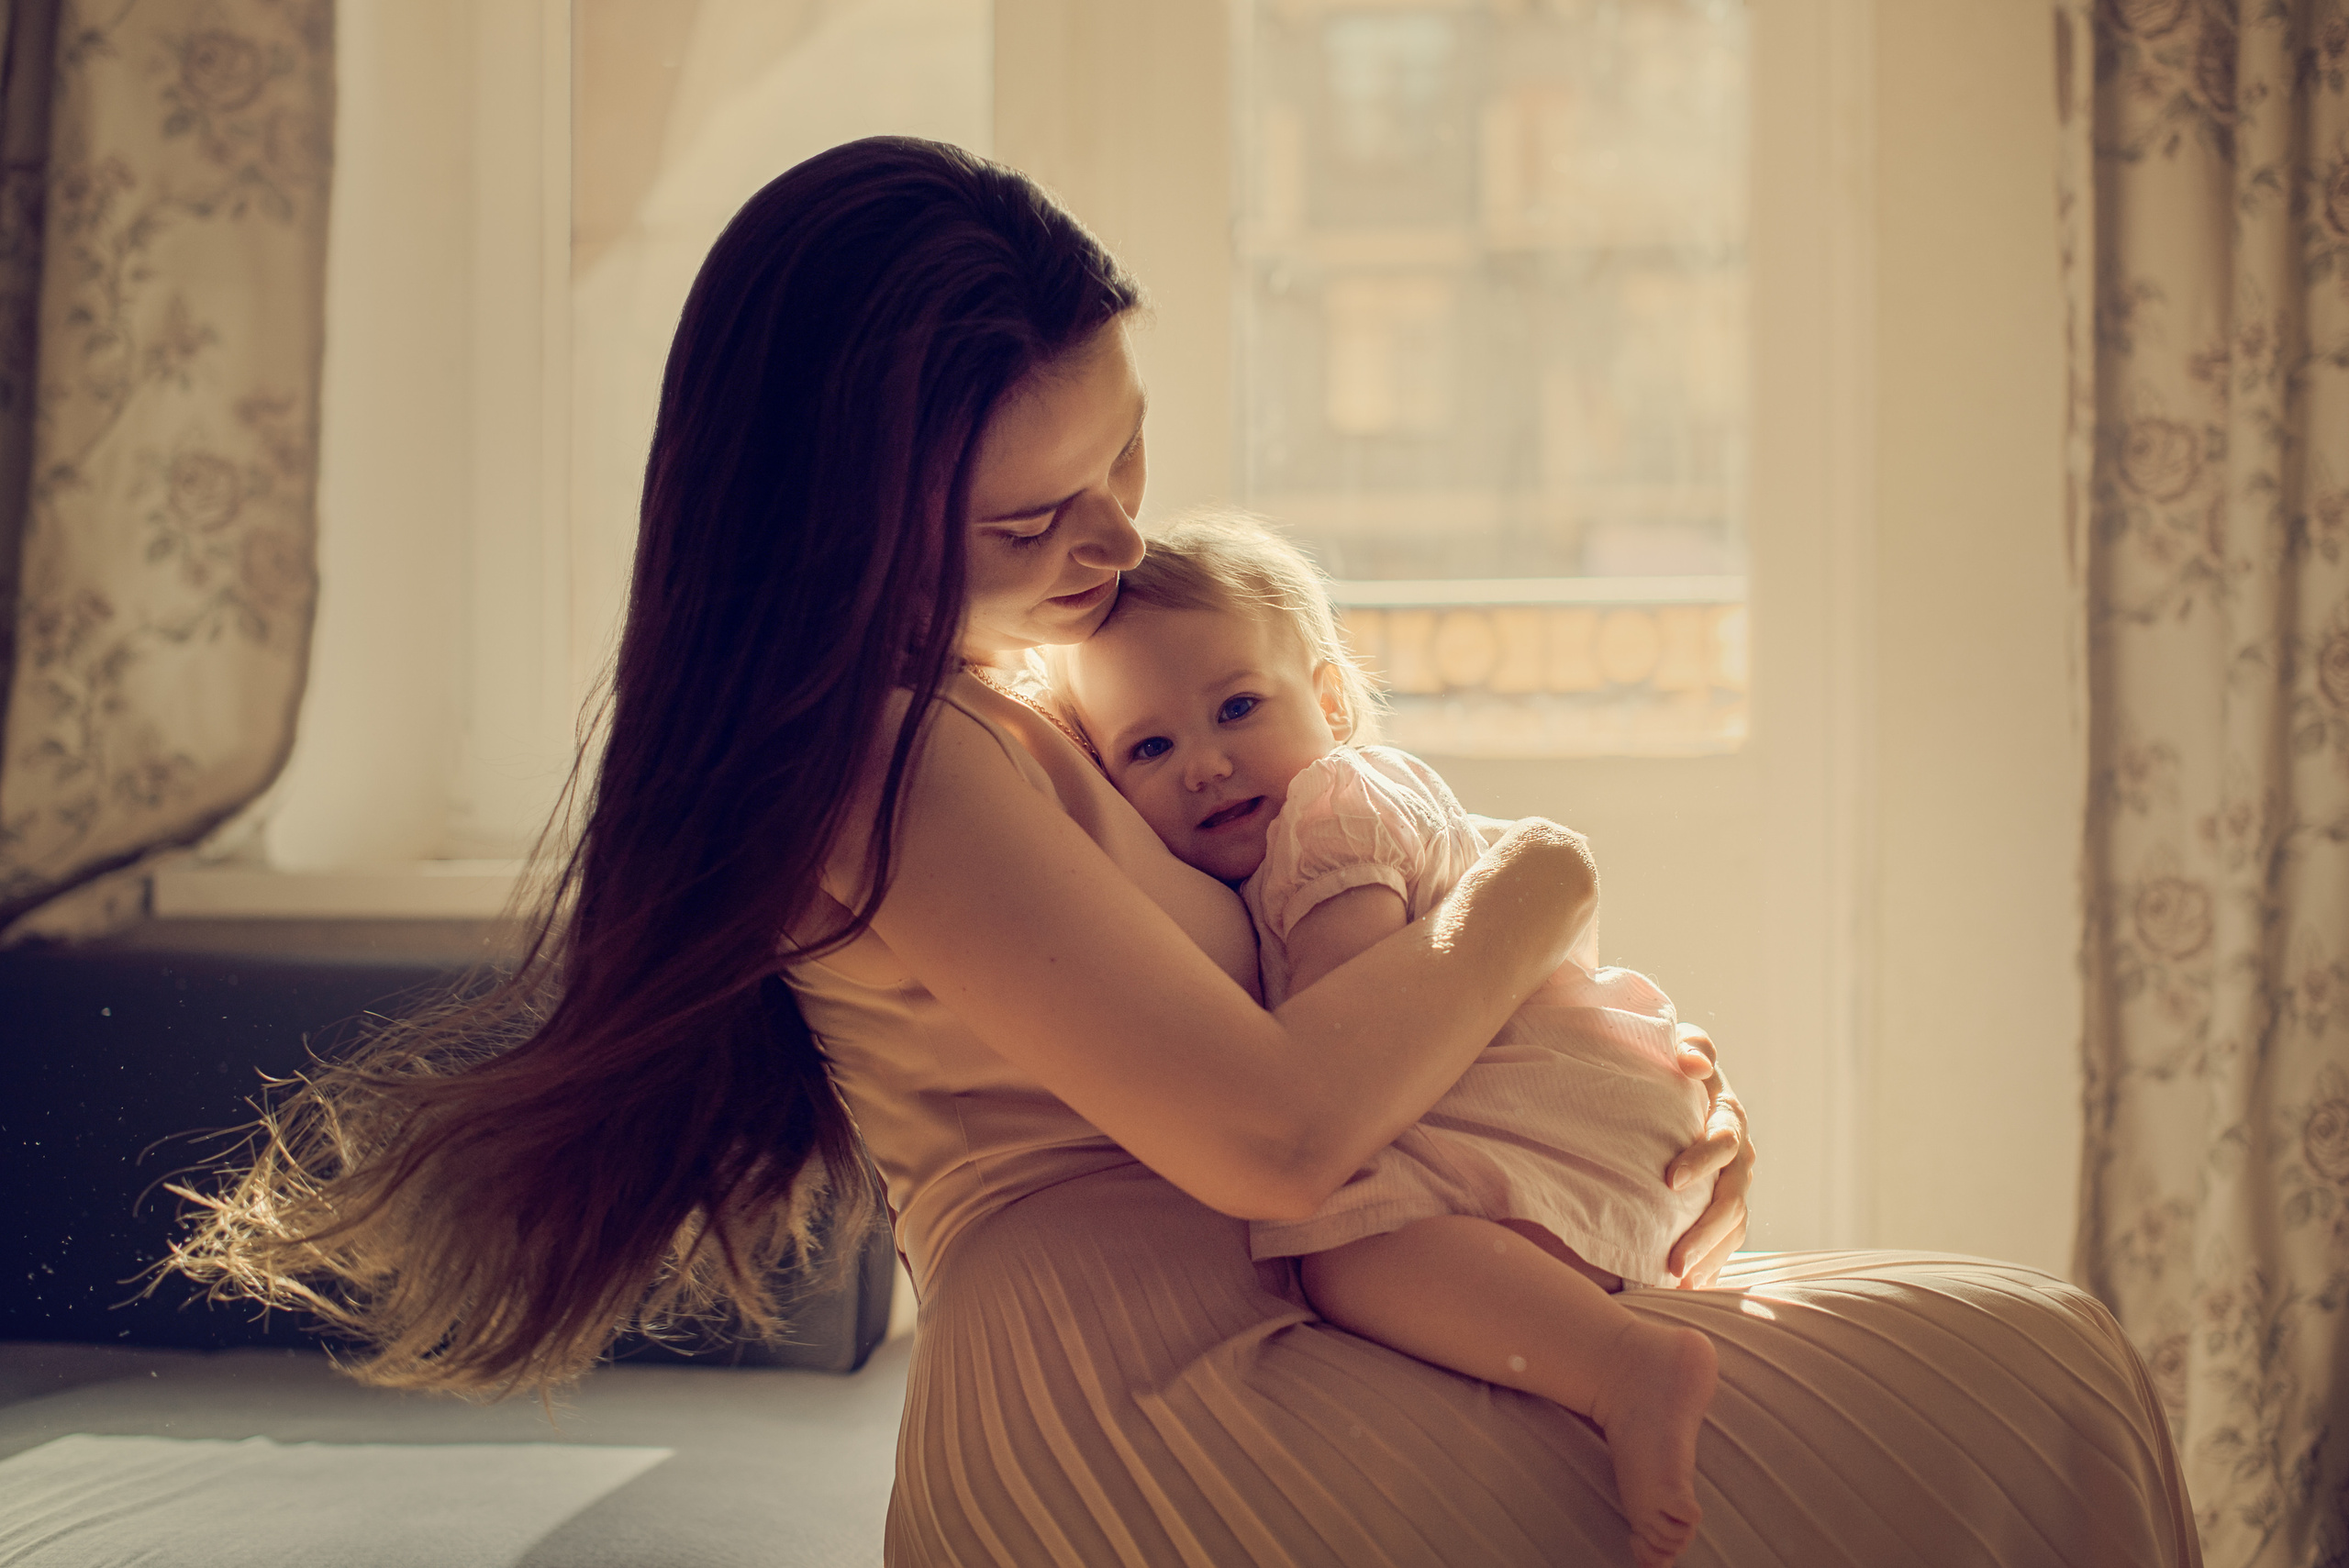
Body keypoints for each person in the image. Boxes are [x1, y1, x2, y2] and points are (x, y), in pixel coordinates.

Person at [175, 137, 2199, 1567]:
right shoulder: (889, 763)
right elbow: (1277, 1135)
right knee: (2029, 1375)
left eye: (1124, 450)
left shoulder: (1001, 704)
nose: (1118, 534)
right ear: (842, 517)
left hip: (1279, 1319)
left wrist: (1595, 1095)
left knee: (2022, 1360)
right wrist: (1537, 896)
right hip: (1148, 1398)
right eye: (1029, 516)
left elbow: (1317, 1005)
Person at [1041, 512, 1721, 1566]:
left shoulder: (1332, 809)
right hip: (1577, 1090)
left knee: (1351, 1256)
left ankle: (1623, 1363)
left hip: (1546, 1091)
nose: (1205, 763)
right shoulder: (1297, 830)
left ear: (1328, 701)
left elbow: (1343, 1035)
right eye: (1150, 746)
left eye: (1236, 707)